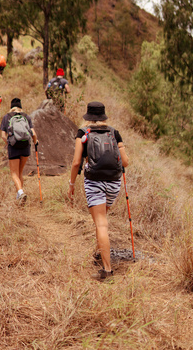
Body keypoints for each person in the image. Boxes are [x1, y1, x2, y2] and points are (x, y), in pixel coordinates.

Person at [68, 101, 129, 281]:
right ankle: (100, 253)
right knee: (100, 220)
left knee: (101, 224)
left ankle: (107, 270)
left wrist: (71, 184)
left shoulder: (83, 133)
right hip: (113, 183)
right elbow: (125, 162)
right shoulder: (114, 133)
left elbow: (76, 163)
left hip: (94, 182)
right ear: (103, 116)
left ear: (88, 117)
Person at [0, 98, 38, 205]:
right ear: (21, 107)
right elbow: (33, 134)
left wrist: (8, 143)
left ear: (11, 107)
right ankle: (19, 196)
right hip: (26, 146)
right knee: (20, 172)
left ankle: (21, 193)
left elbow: (3, 135)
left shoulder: (7, 117)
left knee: (14, 173)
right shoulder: (26, 116)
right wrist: (35, 142)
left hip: (14, 146)